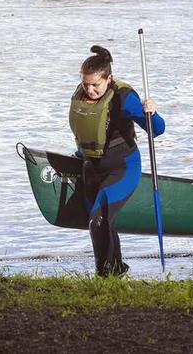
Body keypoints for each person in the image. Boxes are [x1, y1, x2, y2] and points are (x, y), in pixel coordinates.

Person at [70, 45, 164, 277]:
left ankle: (105, 277)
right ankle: (116, 270)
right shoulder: (82, 95)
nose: (90, 90)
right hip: (91, 168)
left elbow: (158, 129)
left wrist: (152, 112)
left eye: (96, 85)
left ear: (108, 78)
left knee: (98, 220)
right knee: (102, 223)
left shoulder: (123, 98)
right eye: (86, 84)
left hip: (122, 167)